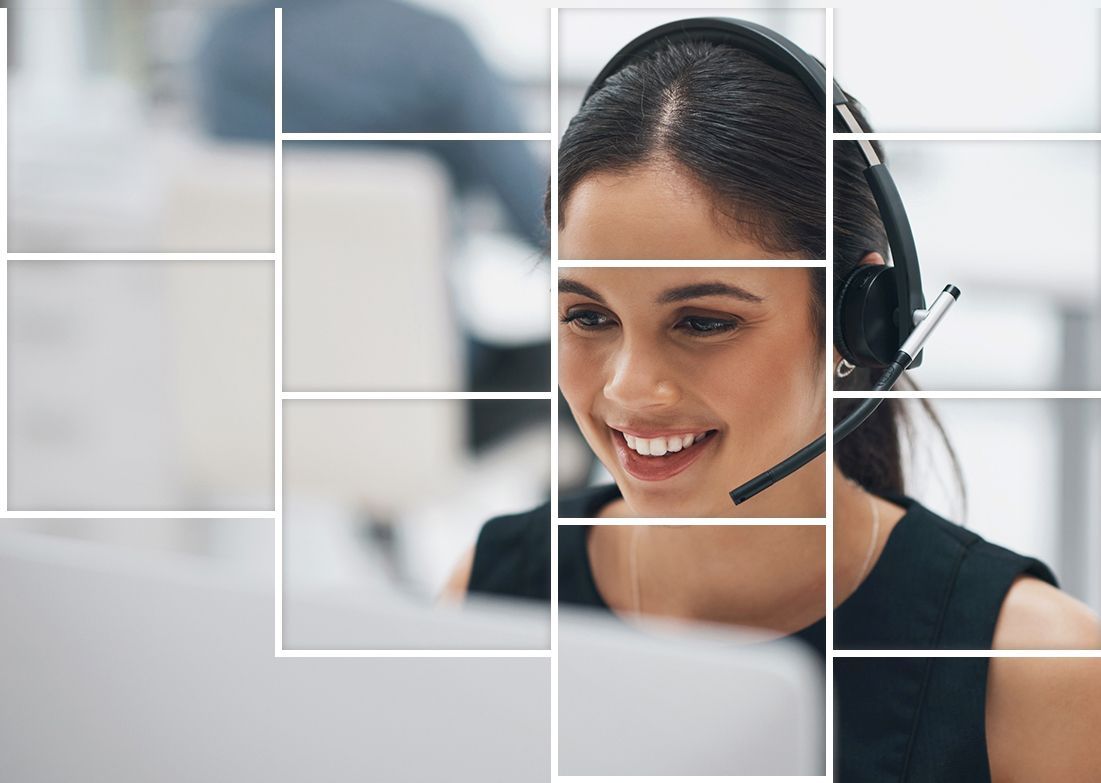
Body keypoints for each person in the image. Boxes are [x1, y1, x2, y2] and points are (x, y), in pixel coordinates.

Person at [444, 28, 1101, 782]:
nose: (627, 388)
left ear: (861, 320)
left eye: (702, 322)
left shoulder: (1034, 670)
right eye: (588, 316)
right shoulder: (494, 597)